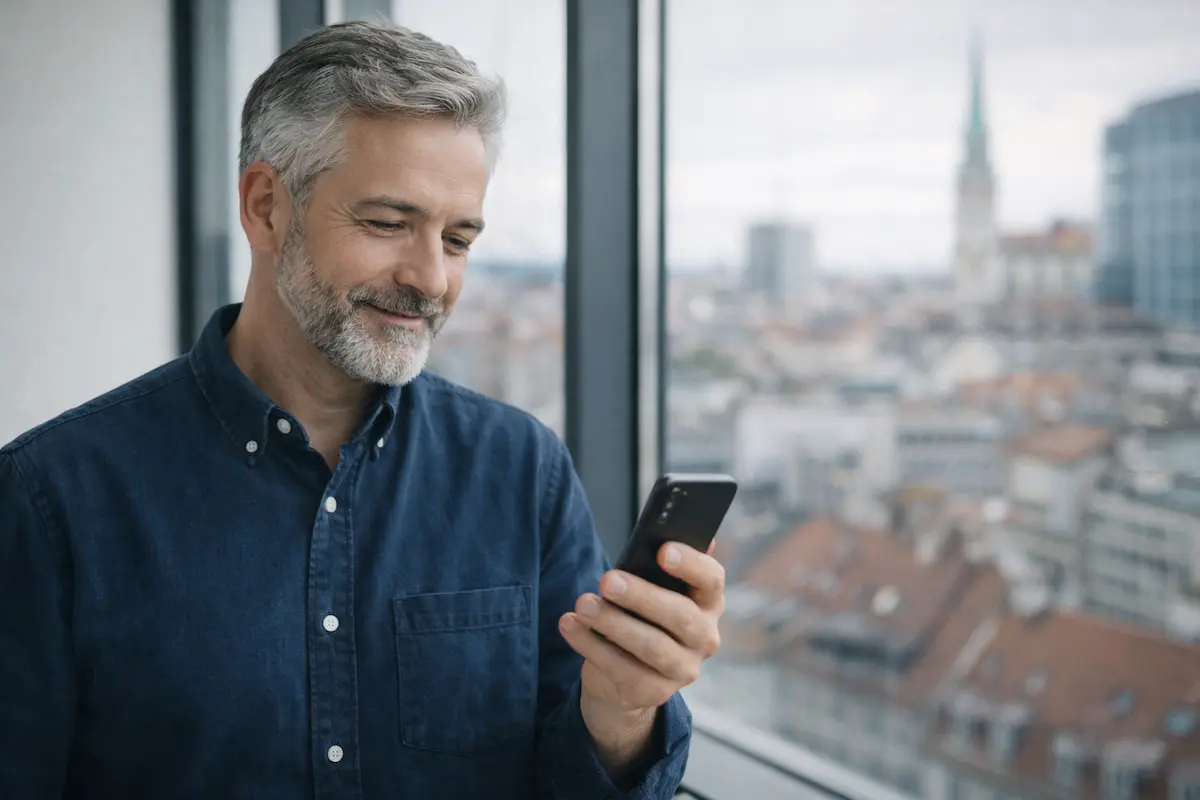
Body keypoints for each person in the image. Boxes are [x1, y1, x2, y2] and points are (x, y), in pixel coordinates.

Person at [0, 20, 726, 800]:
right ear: (266, 207)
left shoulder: (523, 470)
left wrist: (619, 712)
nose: (430, 277)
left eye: (458, 238)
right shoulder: (52, 498)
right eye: (388, 224)